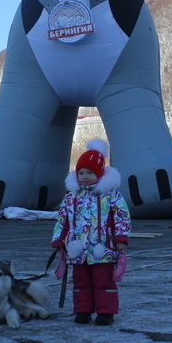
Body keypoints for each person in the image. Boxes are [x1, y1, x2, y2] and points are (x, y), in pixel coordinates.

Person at [51, 139, 131, 326]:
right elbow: (62, 220)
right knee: (80, 281)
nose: (85, 176)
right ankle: (83, 310)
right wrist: (59, 240)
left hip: (102, 247)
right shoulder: (71, 197)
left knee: (103, 281)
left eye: (90, 172)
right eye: (81, 172)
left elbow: (122, 216)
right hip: (78, 248)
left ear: (100, 173)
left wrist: (121, 238)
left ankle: (105, 312)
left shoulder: (110, 195)